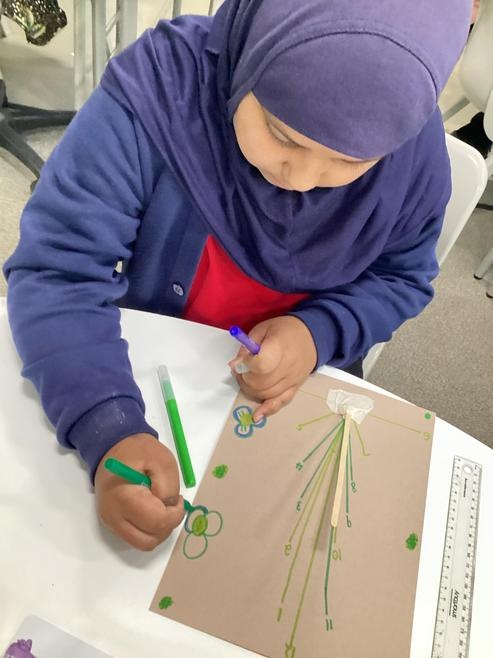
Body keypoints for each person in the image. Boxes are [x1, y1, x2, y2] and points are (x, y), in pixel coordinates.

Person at [3, 0, 471, 551]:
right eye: (282, 134)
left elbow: (401, 279)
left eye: (349, 162)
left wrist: (318, 333)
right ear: (252, 48)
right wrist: (106, 425)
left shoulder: (413, 159)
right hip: (134, 373)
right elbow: (58, 271)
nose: (302, 179)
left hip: (296, 395)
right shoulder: (159, 92)